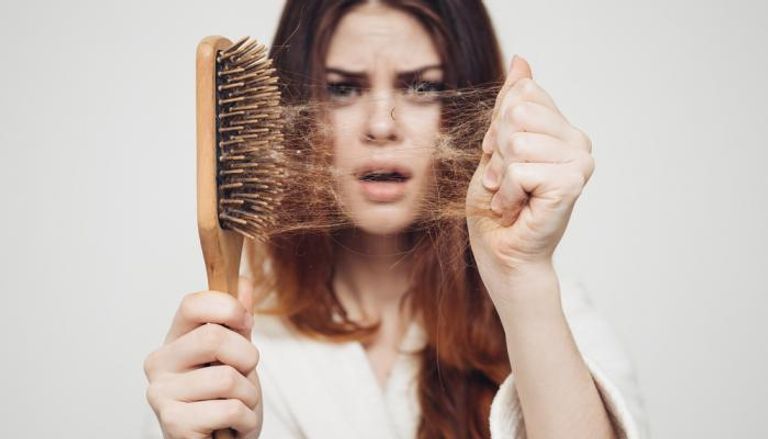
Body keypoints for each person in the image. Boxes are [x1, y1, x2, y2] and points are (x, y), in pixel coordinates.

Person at [143, 1, 647, 438]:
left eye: (422, 87)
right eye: (343, 89)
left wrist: (520, 277)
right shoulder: (235, 350)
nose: (381, 126)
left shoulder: (548, 313)